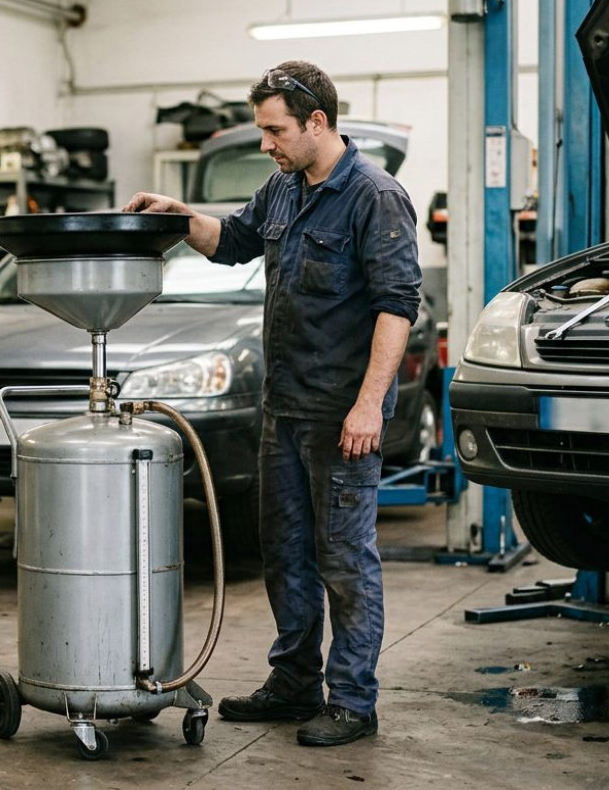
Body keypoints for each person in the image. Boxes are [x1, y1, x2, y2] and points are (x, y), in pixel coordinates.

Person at [123, 60, 421, 747]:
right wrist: (181, 216)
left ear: (317, 121)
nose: (266, 144)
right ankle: (293, 684)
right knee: (284, 553)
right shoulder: (284, 187)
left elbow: (396, 307)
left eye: (274, 130)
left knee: (344, 560)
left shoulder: (375, 197)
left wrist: (369, 406)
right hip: (282, 409)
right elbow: (232, 242)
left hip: (340, 416)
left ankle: (352, 699)